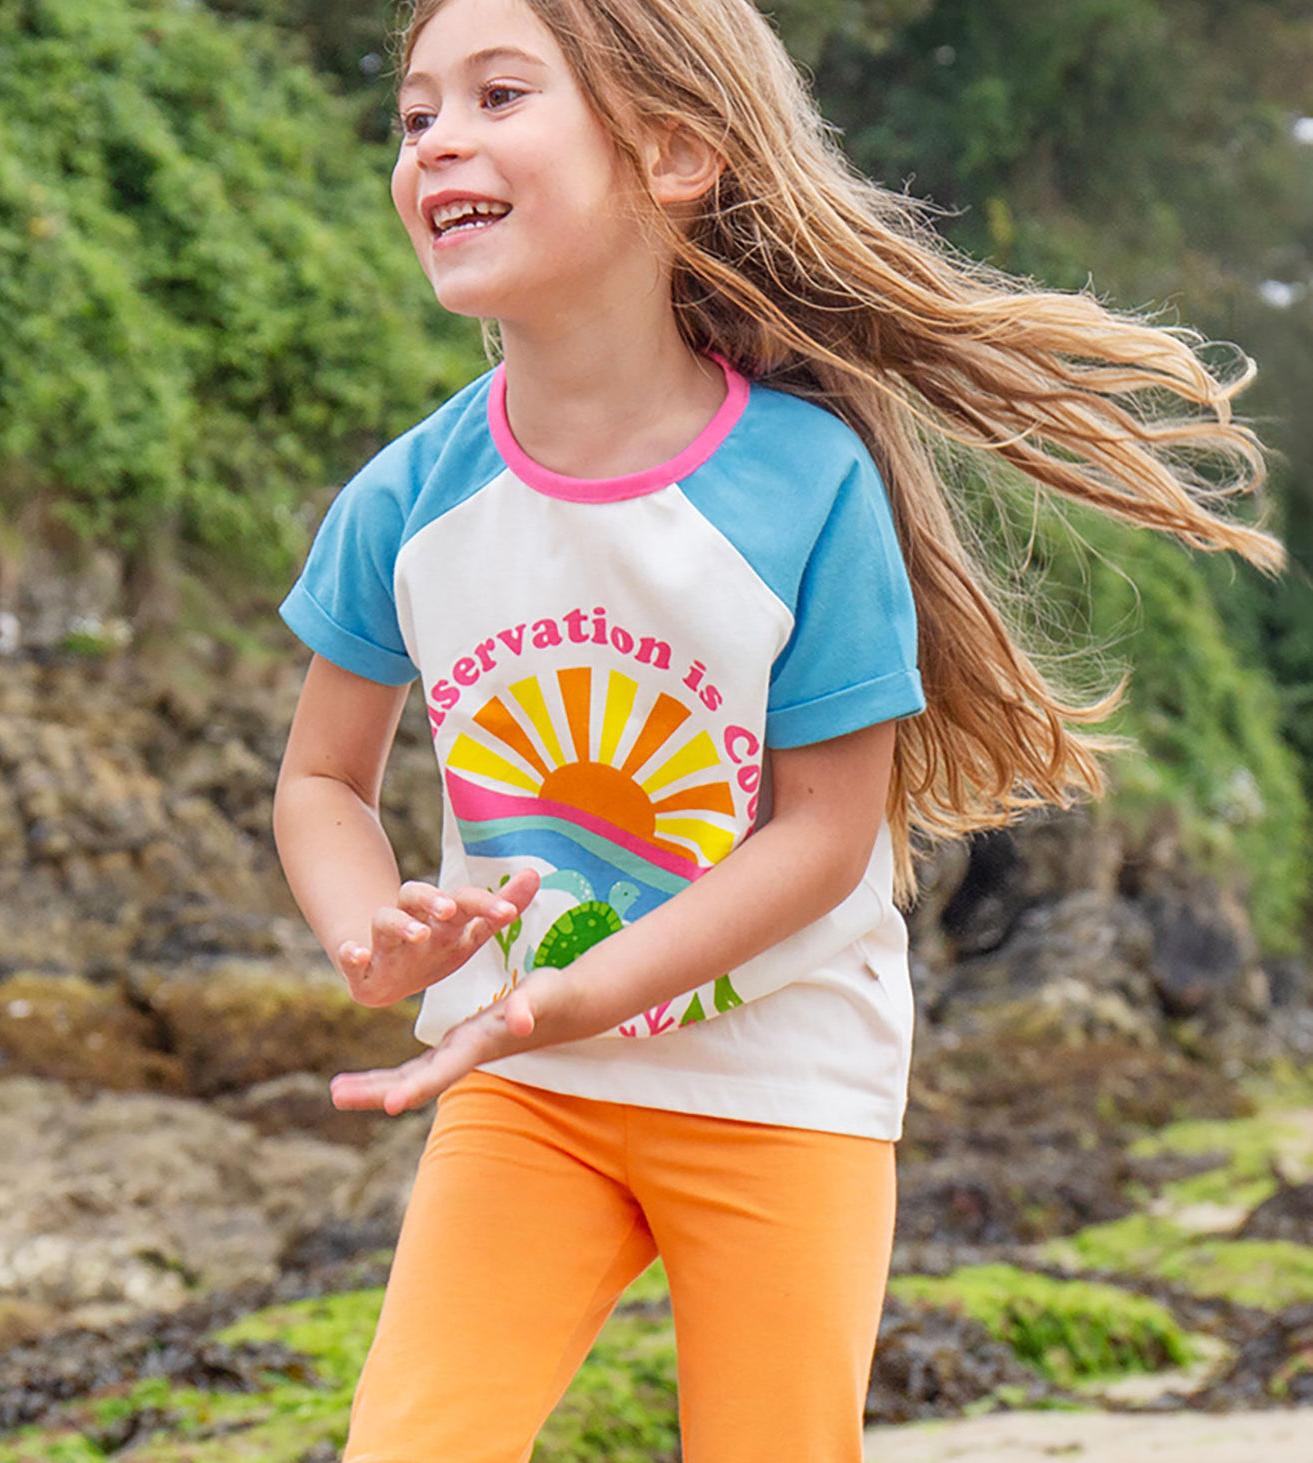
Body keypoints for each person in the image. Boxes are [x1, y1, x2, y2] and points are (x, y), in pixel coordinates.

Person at [272, 1, 1282, 1458]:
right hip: (529, 1086)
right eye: (415, 113)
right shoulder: (407, 498)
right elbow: (321, 778)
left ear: (674, 150)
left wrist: (573, 987)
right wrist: (374, 934)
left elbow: (821, 836)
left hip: (782, 1083)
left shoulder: (802, 483)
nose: (438, 140)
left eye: (498, 95)